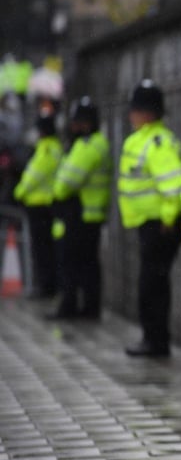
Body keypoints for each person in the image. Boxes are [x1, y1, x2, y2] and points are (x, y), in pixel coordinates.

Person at [119, 79, 181, 357]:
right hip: (148, 223)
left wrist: (168, 220)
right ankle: (152, 338)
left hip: (160, 225)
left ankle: (156, 342)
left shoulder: (158, 143)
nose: (131, 115)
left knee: (153, 285)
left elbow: (173, 186)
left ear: (148, 112)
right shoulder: (142, 139)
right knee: (151, 283)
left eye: (135, 110)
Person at [50, 97, 112, 320]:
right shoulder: (94, 144)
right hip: (88, 213)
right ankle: (86, 307)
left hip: (82, 213)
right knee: (87, 264)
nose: (74, 127)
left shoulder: (89, 145)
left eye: (77, 122)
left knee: (74, 263)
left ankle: (73, 306)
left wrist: (56, 192)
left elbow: (67, 181)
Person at [13, 113, 63, 299]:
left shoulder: (47, 149)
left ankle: (46, 286)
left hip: (40, 205)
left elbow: (34, 175)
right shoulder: (52, 147)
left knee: (42, 249)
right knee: (45, 249)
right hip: (44, 204)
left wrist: (18, 192)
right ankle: (47, 285)